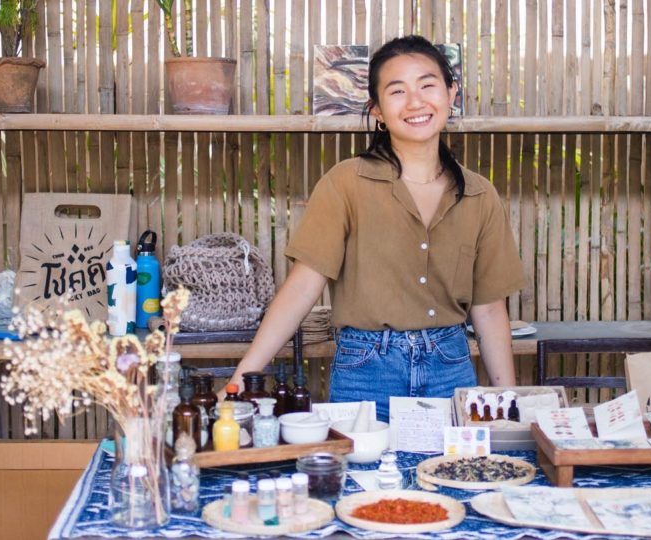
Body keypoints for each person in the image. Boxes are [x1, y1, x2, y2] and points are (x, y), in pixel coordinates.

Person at [225, 35, 525, 420]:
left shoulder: (480, 195)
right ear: (378, 110)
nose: (416, 102)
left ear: (452, 93)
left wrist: (508, 406)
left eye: (427, 85)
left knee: (453, 477)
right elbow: (302, 288)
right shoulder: (345, 183)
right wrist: (237, 384)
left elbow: (488, 310)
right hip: (365, 371)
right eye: (397, 91)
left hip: (450, 370)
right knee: (362, 479)